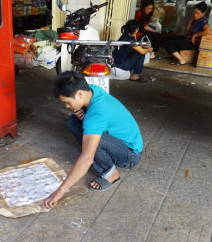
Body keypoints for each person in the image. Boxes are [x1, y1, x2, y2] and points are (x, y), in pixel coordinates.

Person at [43, 71, 143, 209]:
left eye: (67, 102)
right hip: (120, 139)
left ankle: (111, 174)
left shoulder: (95, 116)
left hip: (130, 155)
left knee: (93, 141)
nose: (67, 106)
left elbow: (87, 158)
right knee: (73, 122)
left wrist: (61, 190)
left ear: (79, 94)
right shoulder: (92, 90)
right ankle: (97, 149)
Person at [164, 1, 211, 65]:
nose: (195, 15)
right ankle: (175, 56)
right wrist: (190, 22)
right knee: (168, 38)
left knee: (168, 43)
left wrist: (195, 35)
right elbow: (186, 32)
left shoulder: (203, 21)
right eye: (194, 13)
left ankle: (181, 60)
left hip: (191, 43)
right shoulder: (195, 19)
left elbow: (208, 31)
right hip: (187, 39)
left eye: (198, 13)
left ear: (203, 13)